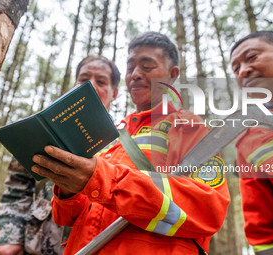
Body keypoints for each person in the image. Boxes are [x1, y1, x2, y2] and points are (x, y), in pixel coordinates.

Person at [31, 31, 230, 255]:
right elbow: (66, 217)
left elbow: (209, 209)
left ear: (172, 75)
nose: (135, 74)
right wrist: (68, 190)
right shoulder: (108, 134)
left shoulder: (189, 126)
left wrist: (103, 179)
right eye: (130, 68)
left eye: (147, 66)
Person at [0, 55, 120, 255]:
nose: (90, 85)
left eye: (101, 81)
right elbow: (17, 188)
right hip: (35, 247)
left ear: (115, 93)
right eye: (83, 78)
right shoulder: (44, 129)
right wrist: (10, 237)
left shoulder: (122, 142)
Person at [230, 31, 273, 255]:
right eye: (235, 69)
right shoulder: (249, 142)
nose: (243, 71)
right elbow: (264, 232)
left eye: (251, 58)